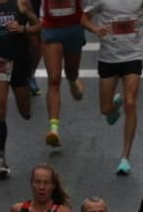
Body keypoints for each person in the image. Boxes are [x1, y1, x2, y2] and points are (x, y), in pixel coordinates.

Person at [83, 0, 143, 174]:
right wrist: (95, 29)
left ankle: (125, 157)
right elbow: (83, 18)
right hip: (109, 56)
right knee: (105, 109)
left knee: (131, 103)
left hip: (134, 54)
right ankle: (114, 105)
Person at [0, 0, 39, 179]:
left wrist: (23, 29)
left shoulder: (21, 3)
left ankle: (28, 89)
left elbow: (38, 25)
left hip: (19, 61)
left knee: (25, 112)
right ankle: (0, 159)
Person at [38, 0, 88, 148]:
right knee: (54, 79)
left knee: (71, 71)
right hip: (51, 28)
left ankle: (73, 81)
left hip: (74, 27)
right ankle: (53, 129)